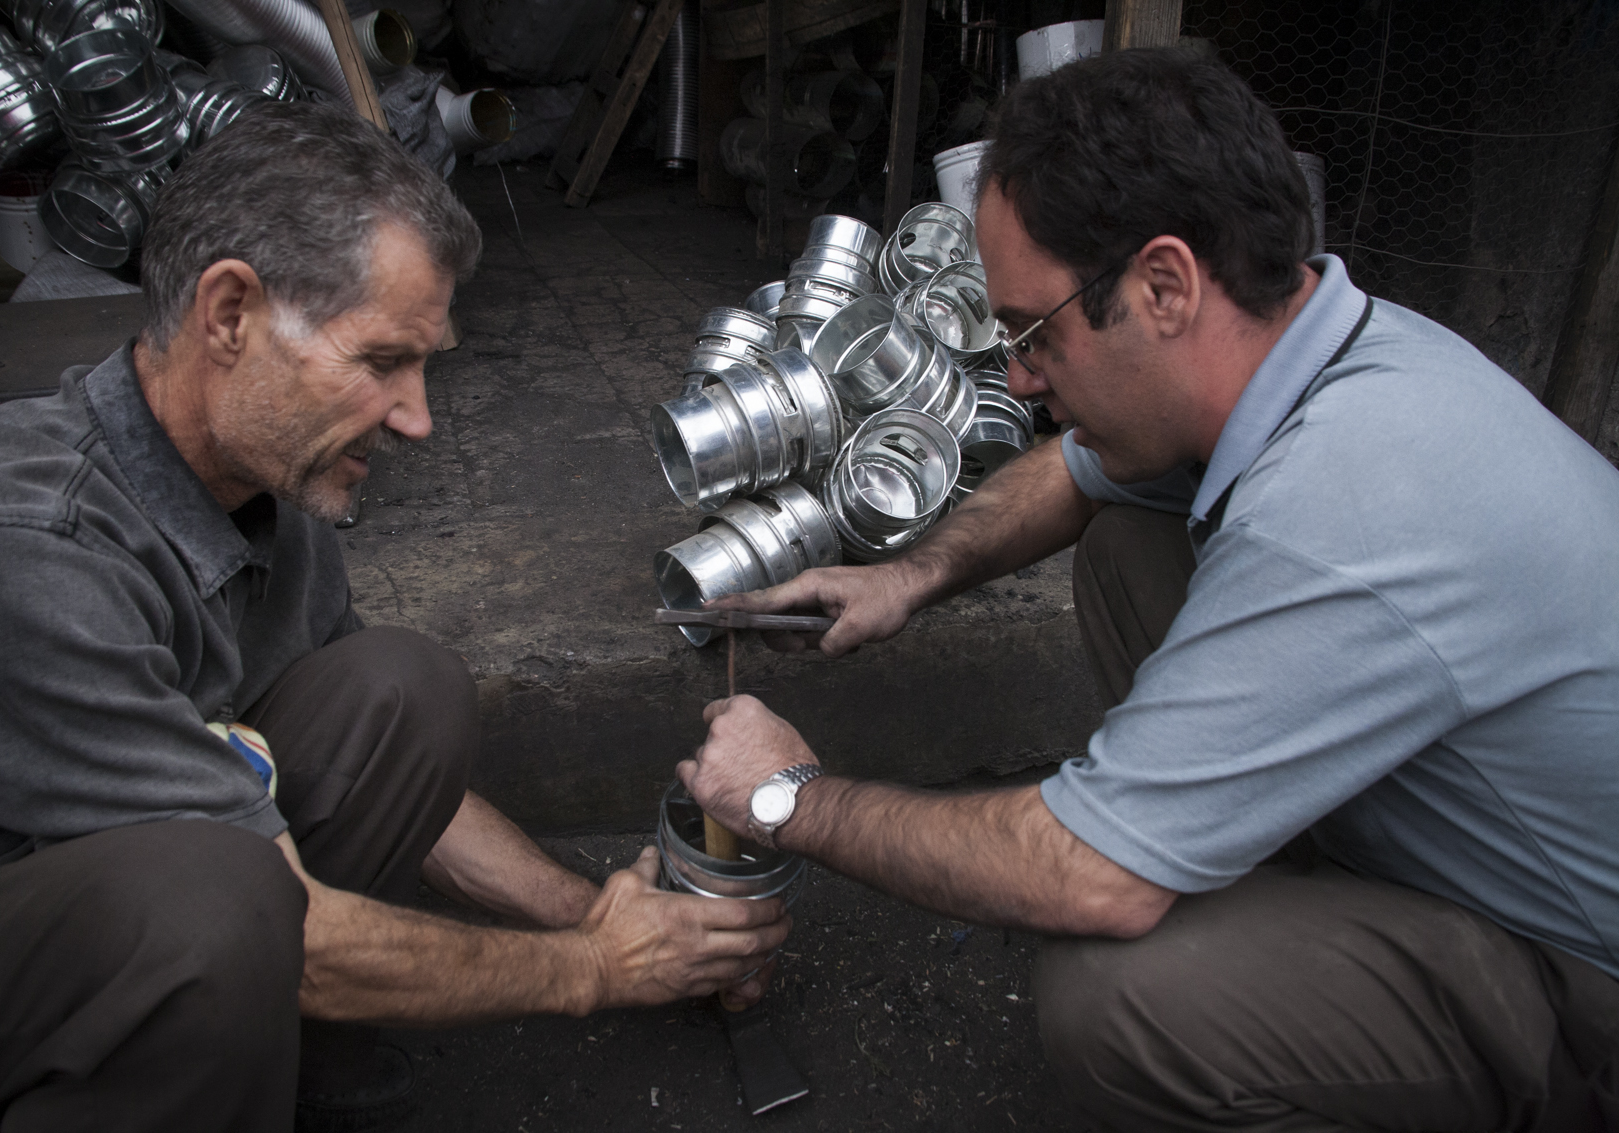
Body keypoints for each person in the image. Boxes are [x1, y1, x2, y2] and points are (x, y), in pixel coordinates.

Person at [680, 48, 1619, 1132]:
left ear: (1163, 285)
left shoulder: (1346, 504)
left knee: (1123, 997)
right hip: (1490, 851)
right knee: (1132, 538)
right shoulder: (1327, 349)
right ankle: (1256, 863)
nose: (1020, 378)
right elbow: (1077, 473)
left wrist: (788, 795)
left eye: (1034, 334)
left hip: (1581, 969)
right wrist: (906, 574)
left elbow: (1088, 876)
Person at [0, 101, 787, 1133]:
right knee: (219, 903)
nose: (419, 418)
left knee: (400, 688)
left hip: (149, 888)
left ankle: (284, 1066)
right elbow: (279, 922)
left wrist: (596, 910)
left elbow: (363, 769)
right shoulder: (21, 548)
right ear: (230, 314)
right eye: (381, 362)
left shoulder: (270, 493)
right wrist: (591, 967)